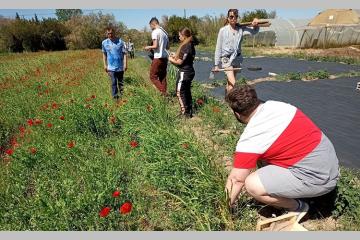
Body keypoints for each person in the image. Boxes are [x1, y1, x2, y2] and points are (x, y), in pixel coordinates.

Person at [225, 85, 339, 221]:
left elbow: (237, 180)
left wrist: (225, 206)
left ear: (237, 114)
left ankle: (298, 207)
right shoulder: (280, 106)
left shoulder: (251, 138)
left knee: (252, 184)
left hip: (319, 180)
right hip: (330, 167)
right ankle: (291, 191)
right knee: (262, 158)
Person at [213, 9, 259, 93]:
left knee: (230, 83)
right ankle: (233, 102)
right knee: (233, 82)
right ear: (228, 18)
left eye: (235, 16)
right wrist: (216, 64)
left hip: (237, 58)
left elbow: (254, 32)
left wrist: (255, 25)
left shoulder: (241, 29)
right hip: (226, 58)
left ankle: (227, 99)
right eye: (231, 17)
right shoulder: (223, 30)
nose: (233, 18)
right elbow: (218, 47)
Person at [168, 27, 196, 118]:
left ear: (184, 36)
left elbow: (180, 62)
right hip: (190, 71)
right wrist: (174, 55)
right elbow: (184, 58)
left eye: (180, 35)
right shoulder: (190, 44)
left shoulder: (185, 46)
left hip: (185, 73)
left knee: (179, 92)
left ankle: (185, 113)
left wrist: (170, 59)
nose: (179, 37)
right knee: (187, 92)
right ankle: (189, 111)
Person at [144, 17, 170, 95]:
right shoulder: (165, 33)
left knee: (152, 76)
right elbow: (168, 47)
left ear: (153, 24)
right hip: (165, 58)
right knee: (163, 77)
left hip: (158, 57)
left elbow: (155, 46)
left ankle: (164, 92)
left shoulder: (155, 32)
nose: (151, 28)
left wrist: (148, 47)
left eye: (150, 26)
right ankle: (164, 96)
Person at [102, 27, 127, 101]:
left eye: (111, 33)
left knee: (121, 83)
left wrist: (125, 64)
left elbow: (125, 53)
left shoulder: (121, 42)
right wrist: (105, 65)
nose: (110, 35)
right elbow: (104, 54)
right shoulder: (104, 43)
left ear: (114, 32)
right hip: (111, 68)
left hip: (120, 67)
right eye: (108, 33)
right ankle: (115, 99)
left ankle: (123, 97)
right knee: (113, 83)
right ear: (106, 34)